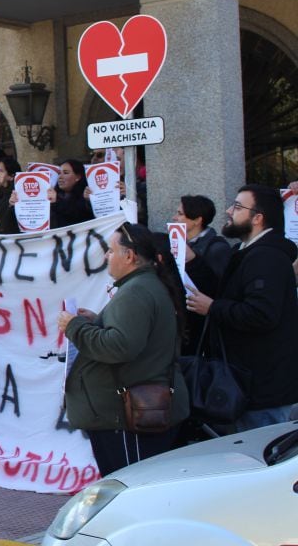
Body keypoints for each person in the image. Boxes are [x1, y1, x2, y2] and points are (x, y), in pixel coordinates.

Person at [58, 223, 189, 477]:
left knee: (130, 485)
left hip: (129, 416)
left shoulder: (136, 291)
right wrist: (98, 322)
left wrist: (74, 327)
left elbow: (119, 347)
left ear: (129, 256)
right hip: (132, 411)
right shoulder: (143, 286)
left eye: (110, 251)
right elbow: (135, 335)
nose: (107, 256)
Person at [186, 185, 298, 431]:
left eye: (237, 207)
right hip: (245, 386)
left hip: (263, 391)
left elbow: (261, 314)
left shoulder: (267, 257)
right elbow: (224, 292)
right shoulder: (244, 252)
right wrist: (192, 263)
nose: (228, 211)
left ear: (258, 218)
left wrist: (213, 308)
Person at [174, 195, 231, 286]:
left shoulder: (217, 249)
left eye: (180, 214)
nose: (174, 218)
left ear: (197, 220)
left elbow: (220, 286)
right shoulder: (181, 243)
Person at [49, 158, 93, 228]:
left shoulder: (86, 197)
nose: (60, 177)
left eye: (65, 173)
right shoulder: (53, 197)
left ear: (78, 177)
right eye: (59, 173)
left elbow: (75, 217)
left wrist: (55, 202)